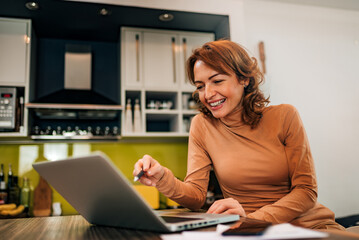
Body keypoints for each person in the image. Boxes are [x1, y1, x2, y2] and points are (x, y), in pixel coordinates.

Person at [133, 40, 344, 230]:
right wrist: (162, 178)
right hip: (247, 230)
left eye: (217, 81)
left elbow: (306, 191)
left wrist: (252, 219)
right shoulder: (202, 126)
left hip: (308, 226)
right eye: (200, 86)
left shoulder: (285, 116)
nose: (207, 94)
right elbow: (196, 196)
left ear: (244, 79)